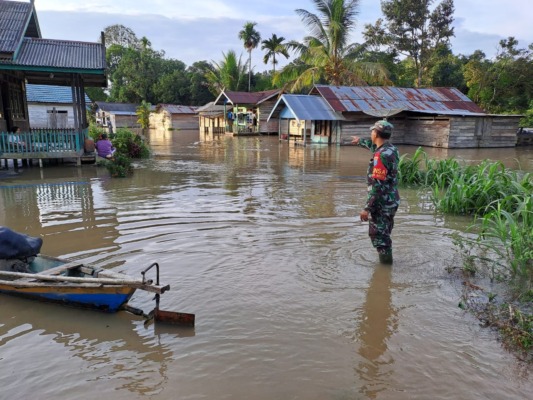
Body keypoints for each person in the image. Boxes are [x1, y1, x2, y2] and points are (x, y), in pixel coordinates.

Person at [351, 120, 400, 264]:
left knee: (379, 237)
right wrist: (360, 142)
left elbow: (377, 185)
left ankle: (385, 272)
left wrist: (367, 208)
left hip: (382, 202)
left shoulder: (381, 156)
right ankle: (386, 267)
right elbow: (375, 147)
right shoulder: (391, 149)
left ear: (376, 133)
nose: (371, 133)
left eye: (372, 131)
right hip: (392, 200)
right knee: (384, 233)